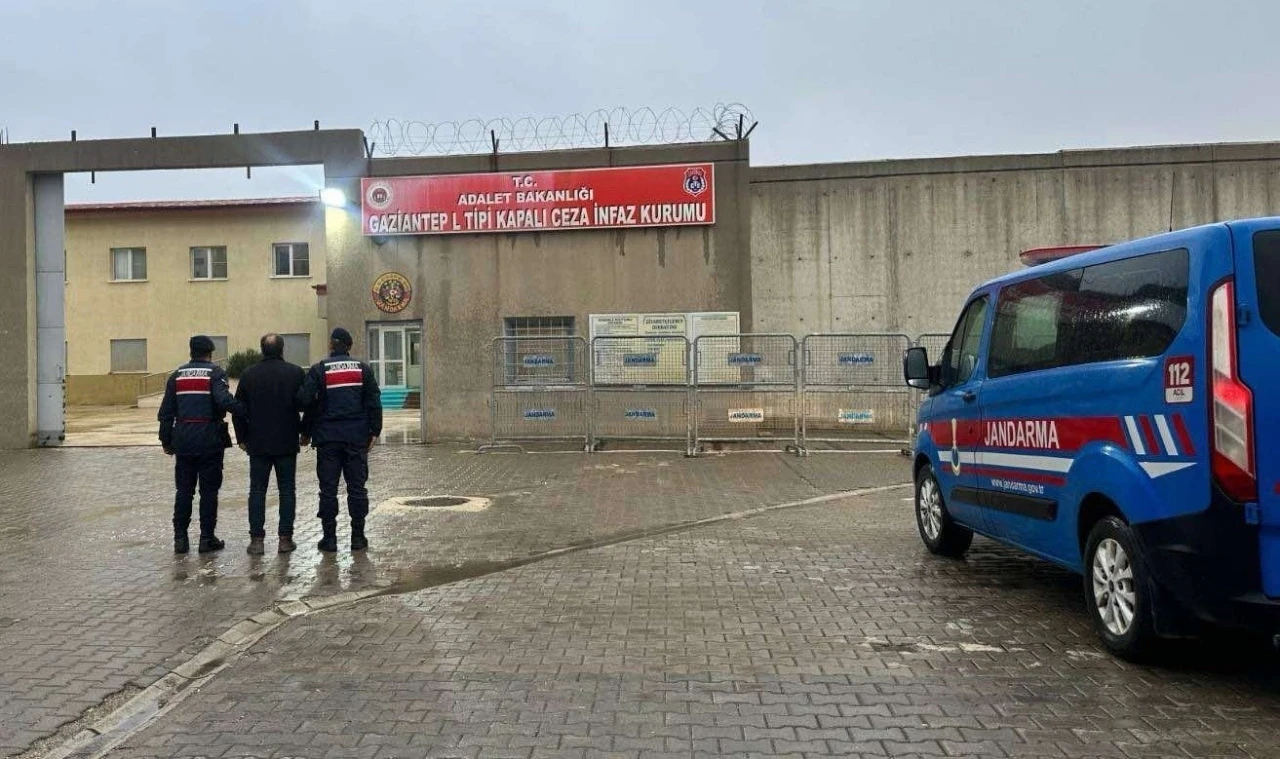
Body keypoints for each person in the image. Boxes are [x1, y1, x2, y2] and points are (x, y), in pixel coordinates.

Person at [296, 327, 382, 553]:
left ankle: (330, 539)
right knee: (357, 488)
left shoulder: (319, 370)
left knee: (328, 490)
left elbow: (304, 400)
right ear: (349, 346)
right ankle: (358, 538)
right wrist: (375, 431)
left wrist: (306, 429)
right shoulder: (363, 369)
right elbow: (374, 402)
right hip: (356, 438)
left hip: (328, 439)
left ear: (331, 346)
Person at [158, 335, 243, 554]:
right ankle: (206, 539)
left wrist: (166, 440)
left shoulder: (177, 375)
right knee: (209, 492)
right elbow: (223, 400)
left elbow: (166, 413)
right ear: (210, 353)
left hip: (183, 440)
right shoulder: (215, 373)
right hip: (209, 440)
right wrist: (246, 410)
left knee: (184, 491)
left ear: (191, 352)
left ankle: (180, 539)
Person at [232, 333, 311, 555]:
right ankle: (285, 539)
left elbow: (238, 409)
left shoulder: (249, 374)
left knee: (257, 491)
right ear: (282, 349)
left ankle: (256, 541)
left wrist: (242, 437)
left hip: (257, 442)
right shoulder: (295, 373)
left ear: (262, 349)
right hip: (286, 441)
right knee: (287, 490)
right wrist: (306, 431)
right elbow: (308, 403)